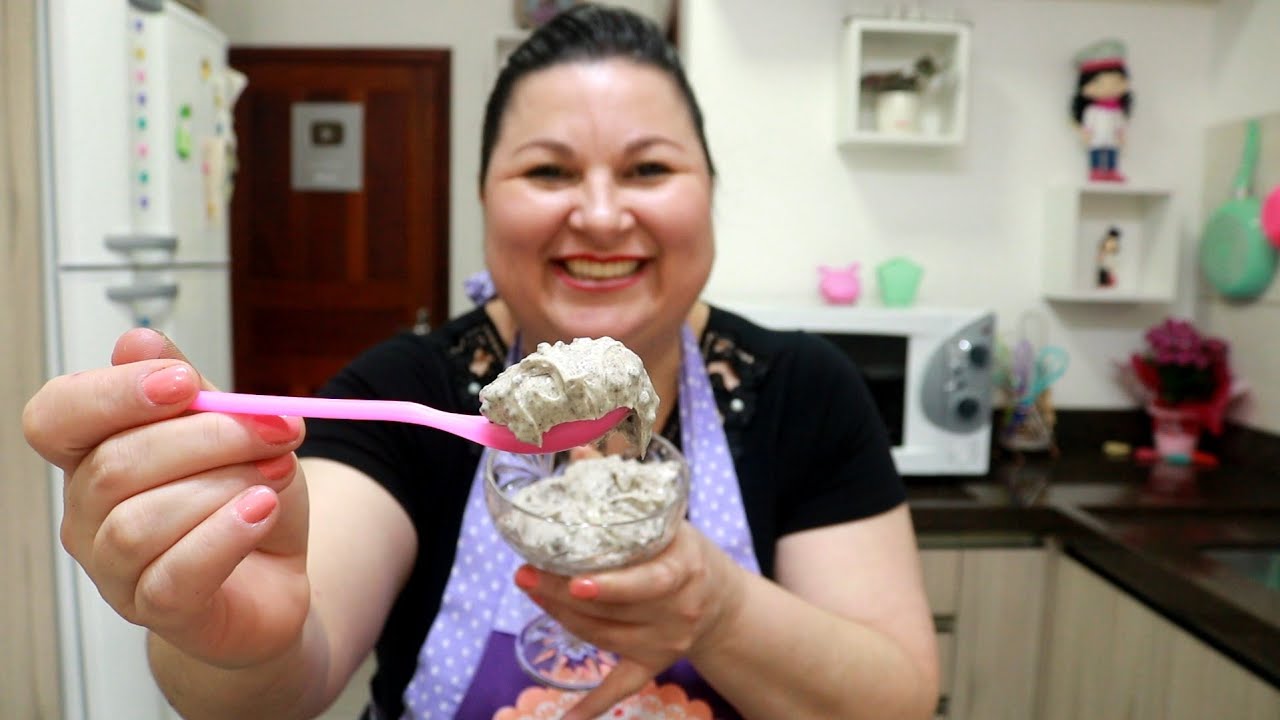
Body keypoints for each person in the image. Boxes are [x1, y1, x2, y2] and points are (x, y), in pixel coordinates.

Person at [23, 6, 938, 719]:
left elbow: (894, 700)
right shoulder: (406, 391)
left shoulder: (804, 390)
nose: (602, 213)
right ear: (484, 198)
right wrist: (233, 639)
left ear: (710, 192)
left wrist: (723, 612)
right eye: (548, 173)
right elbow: (285, 663)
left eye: (650, 169)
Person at [1071, 38, 1132, 183]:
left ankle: (1111, 171)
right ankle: (1096, 170)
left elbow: (1119, 124)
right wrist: (1086, 134)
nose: (1110, 87)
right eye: (1100, 83)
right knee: (1097, 153)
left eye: (1117, 81)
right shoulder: (1092, 110)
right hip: (1097, 138)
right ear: (1087, 87)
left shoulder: (1117, 110)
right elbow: (1088, 124)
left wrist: (1121, 135)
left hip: (1111, 139)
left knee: (1111, 153)